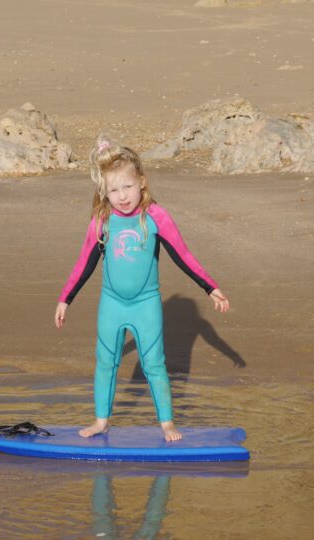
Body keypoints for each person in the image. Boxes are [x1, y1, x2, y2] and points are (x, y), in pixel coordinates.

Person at [54, 136, 230, 441]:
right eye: (113, 189)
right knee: (106, 361)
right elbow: (84, 263)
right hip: (112, 303)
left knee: (154, 363)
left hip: (146, 304)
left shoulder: (156, 217)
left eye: (128, 187)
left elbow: (183, 256)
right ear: (103, 192)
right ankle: (101, 421)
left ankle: (166, 424)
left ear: (142, 182)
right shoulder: (102, 220)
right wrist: (65, 299)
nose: (122, 196)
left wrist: (209, 287)